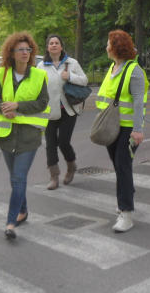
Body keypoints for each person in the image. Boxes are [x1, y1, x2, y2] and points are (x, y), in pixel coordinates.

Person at [0, 31, 50, 241]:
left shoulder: (39, 75)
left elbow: (43, 102)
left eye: (28, 49)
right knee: (16, 179)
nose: (25, 53)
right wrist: (2, 107)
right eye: (20, 49)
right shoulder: (2, 74)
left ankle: (11, 222)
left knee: (18, 177)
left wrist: (18, 106)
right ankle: (23, 210)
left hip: (29, 136)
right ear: (12, 53)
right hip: (6, 135)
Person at [95, 30, 149, 233]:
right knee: (119, 167)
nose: (106, 47)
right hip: (111, 127)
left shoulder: (133, 70)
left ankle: (126, 213)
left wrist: (137, 130)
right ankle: (127, 195)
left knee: (123, 167)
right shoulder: (112, 68)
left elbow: (138, 102)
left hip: (127, 129)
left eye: (108, 43)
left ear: (116, 47)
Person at [37, 34, 88, 190]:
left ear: (61, 46)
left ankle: (71, 165)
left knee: (64, 142)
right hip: (49, 111)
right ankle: (54, 176)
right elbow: (37, 87)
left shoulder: (72, 63)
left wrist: (70, 76)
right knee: (50, 144)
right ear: (47, 47)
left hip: (68, 109)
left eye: (56, 43)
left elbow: (84, 80)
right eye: (51, 43)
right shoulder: (41, 66)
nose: (53, 45)